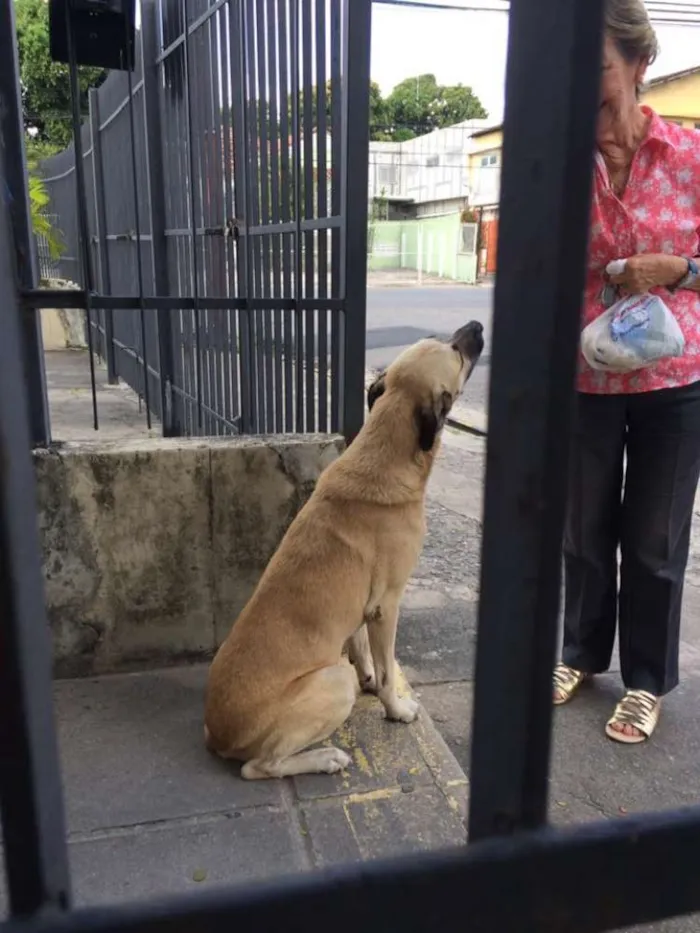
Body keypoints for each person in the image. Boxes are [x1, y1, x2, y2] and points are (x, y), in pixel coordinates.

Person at [553, 0, 700, 743]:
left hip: (676, 382)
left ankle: (644, 681)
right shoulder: (561, 159)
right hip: (587, 379)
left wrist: (682, 268)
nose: (588, 94)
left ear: (639, 65)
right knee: (583, 529)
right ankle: (581, 650)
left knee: (652, 538)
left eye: (602, 72)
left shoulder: (691, 156)